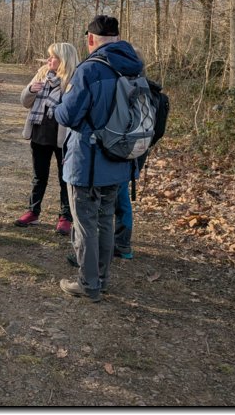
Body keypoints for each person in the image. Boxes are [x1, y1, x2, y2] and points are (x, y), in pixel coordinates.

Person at [54, 15, 143, 302]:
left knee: (85, 223)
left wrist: (57, 105)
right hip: (120, 157)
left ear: (91, 39)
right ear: (117, 37)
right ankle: (102, 279)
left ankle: (88, 284)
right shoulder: (134, 66)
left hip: (88, 160)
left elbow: (68, 115)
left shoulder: (90, 69)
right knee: (106, 219)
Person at [14, 42, 79, 235]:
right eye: (49, 56)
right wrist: (31, 90)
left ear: (64, 60)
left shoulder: (74, 79)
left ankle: (65, 217)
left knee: (65, 178)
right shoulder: (42, 73)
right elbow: (25, 102)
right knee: (38, 176)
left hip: (63, 138)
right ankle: (33, 212)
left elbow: (75, 109)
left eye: (53, 57)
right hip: (39, 132)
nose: (49, 60)